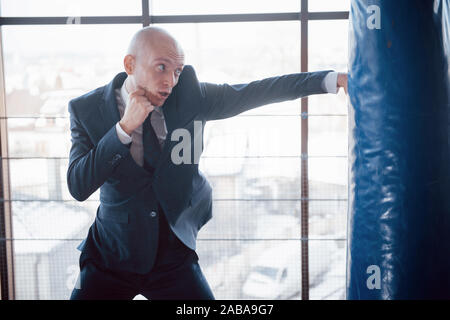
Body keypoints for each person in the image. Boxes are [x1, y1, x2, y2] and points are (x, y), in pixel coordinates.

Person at [67, 26, 348, 300]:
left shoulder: (190, 97)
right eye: (161, 67)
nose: (171, 81)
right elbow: (78, 185)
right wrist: (124, 128)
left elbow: (257, 91)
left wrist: (330, 80)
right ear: (130, 64)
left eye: (177, 71)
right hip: (111, 255)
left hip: (172, 256)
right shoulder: (86, 110)